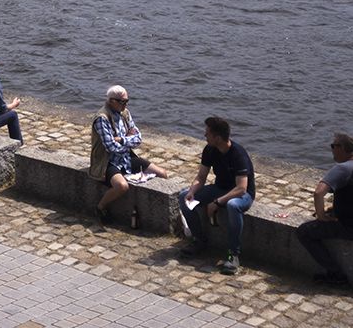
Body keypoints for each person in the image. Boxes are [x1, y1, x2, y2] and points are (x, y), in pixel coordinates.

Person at [297, 133, 353, 286]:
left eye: (333, 146)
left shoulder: (343, 168)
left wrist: (321, 216)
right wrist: (334, 210)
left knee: (304, 231)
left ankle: (335, 273)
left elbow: (318, 192)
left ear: (342, 148)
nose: (332, 150)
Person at [181, 116, 255, 275]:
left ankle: (233, 254)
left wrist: (217, 202)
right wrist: (192, 191)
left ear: (218, 138)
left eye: (207, 133)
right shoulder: (209, 149)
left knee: (232, 205)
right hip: (219, 189)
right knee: (183, 197)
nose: (204, 135)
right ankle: (199, 240)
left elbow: (241, 188)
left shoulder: (238, 154)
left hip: (242, 194)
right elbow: (201, 177)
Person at [90, 85, 169, 223]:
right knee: (122, 186)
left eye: (127, 101)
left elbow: (138, 138)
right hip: (107, 161)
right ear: (112, 101)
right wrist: (128, 141)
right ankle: (101, 206)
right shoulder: (102, 118)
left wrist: (122, 139)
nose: (125, 104)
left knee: (162, 173)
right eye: (123, 102)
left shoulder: (125, 113)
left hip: (126, 157)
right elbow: (110, 147)